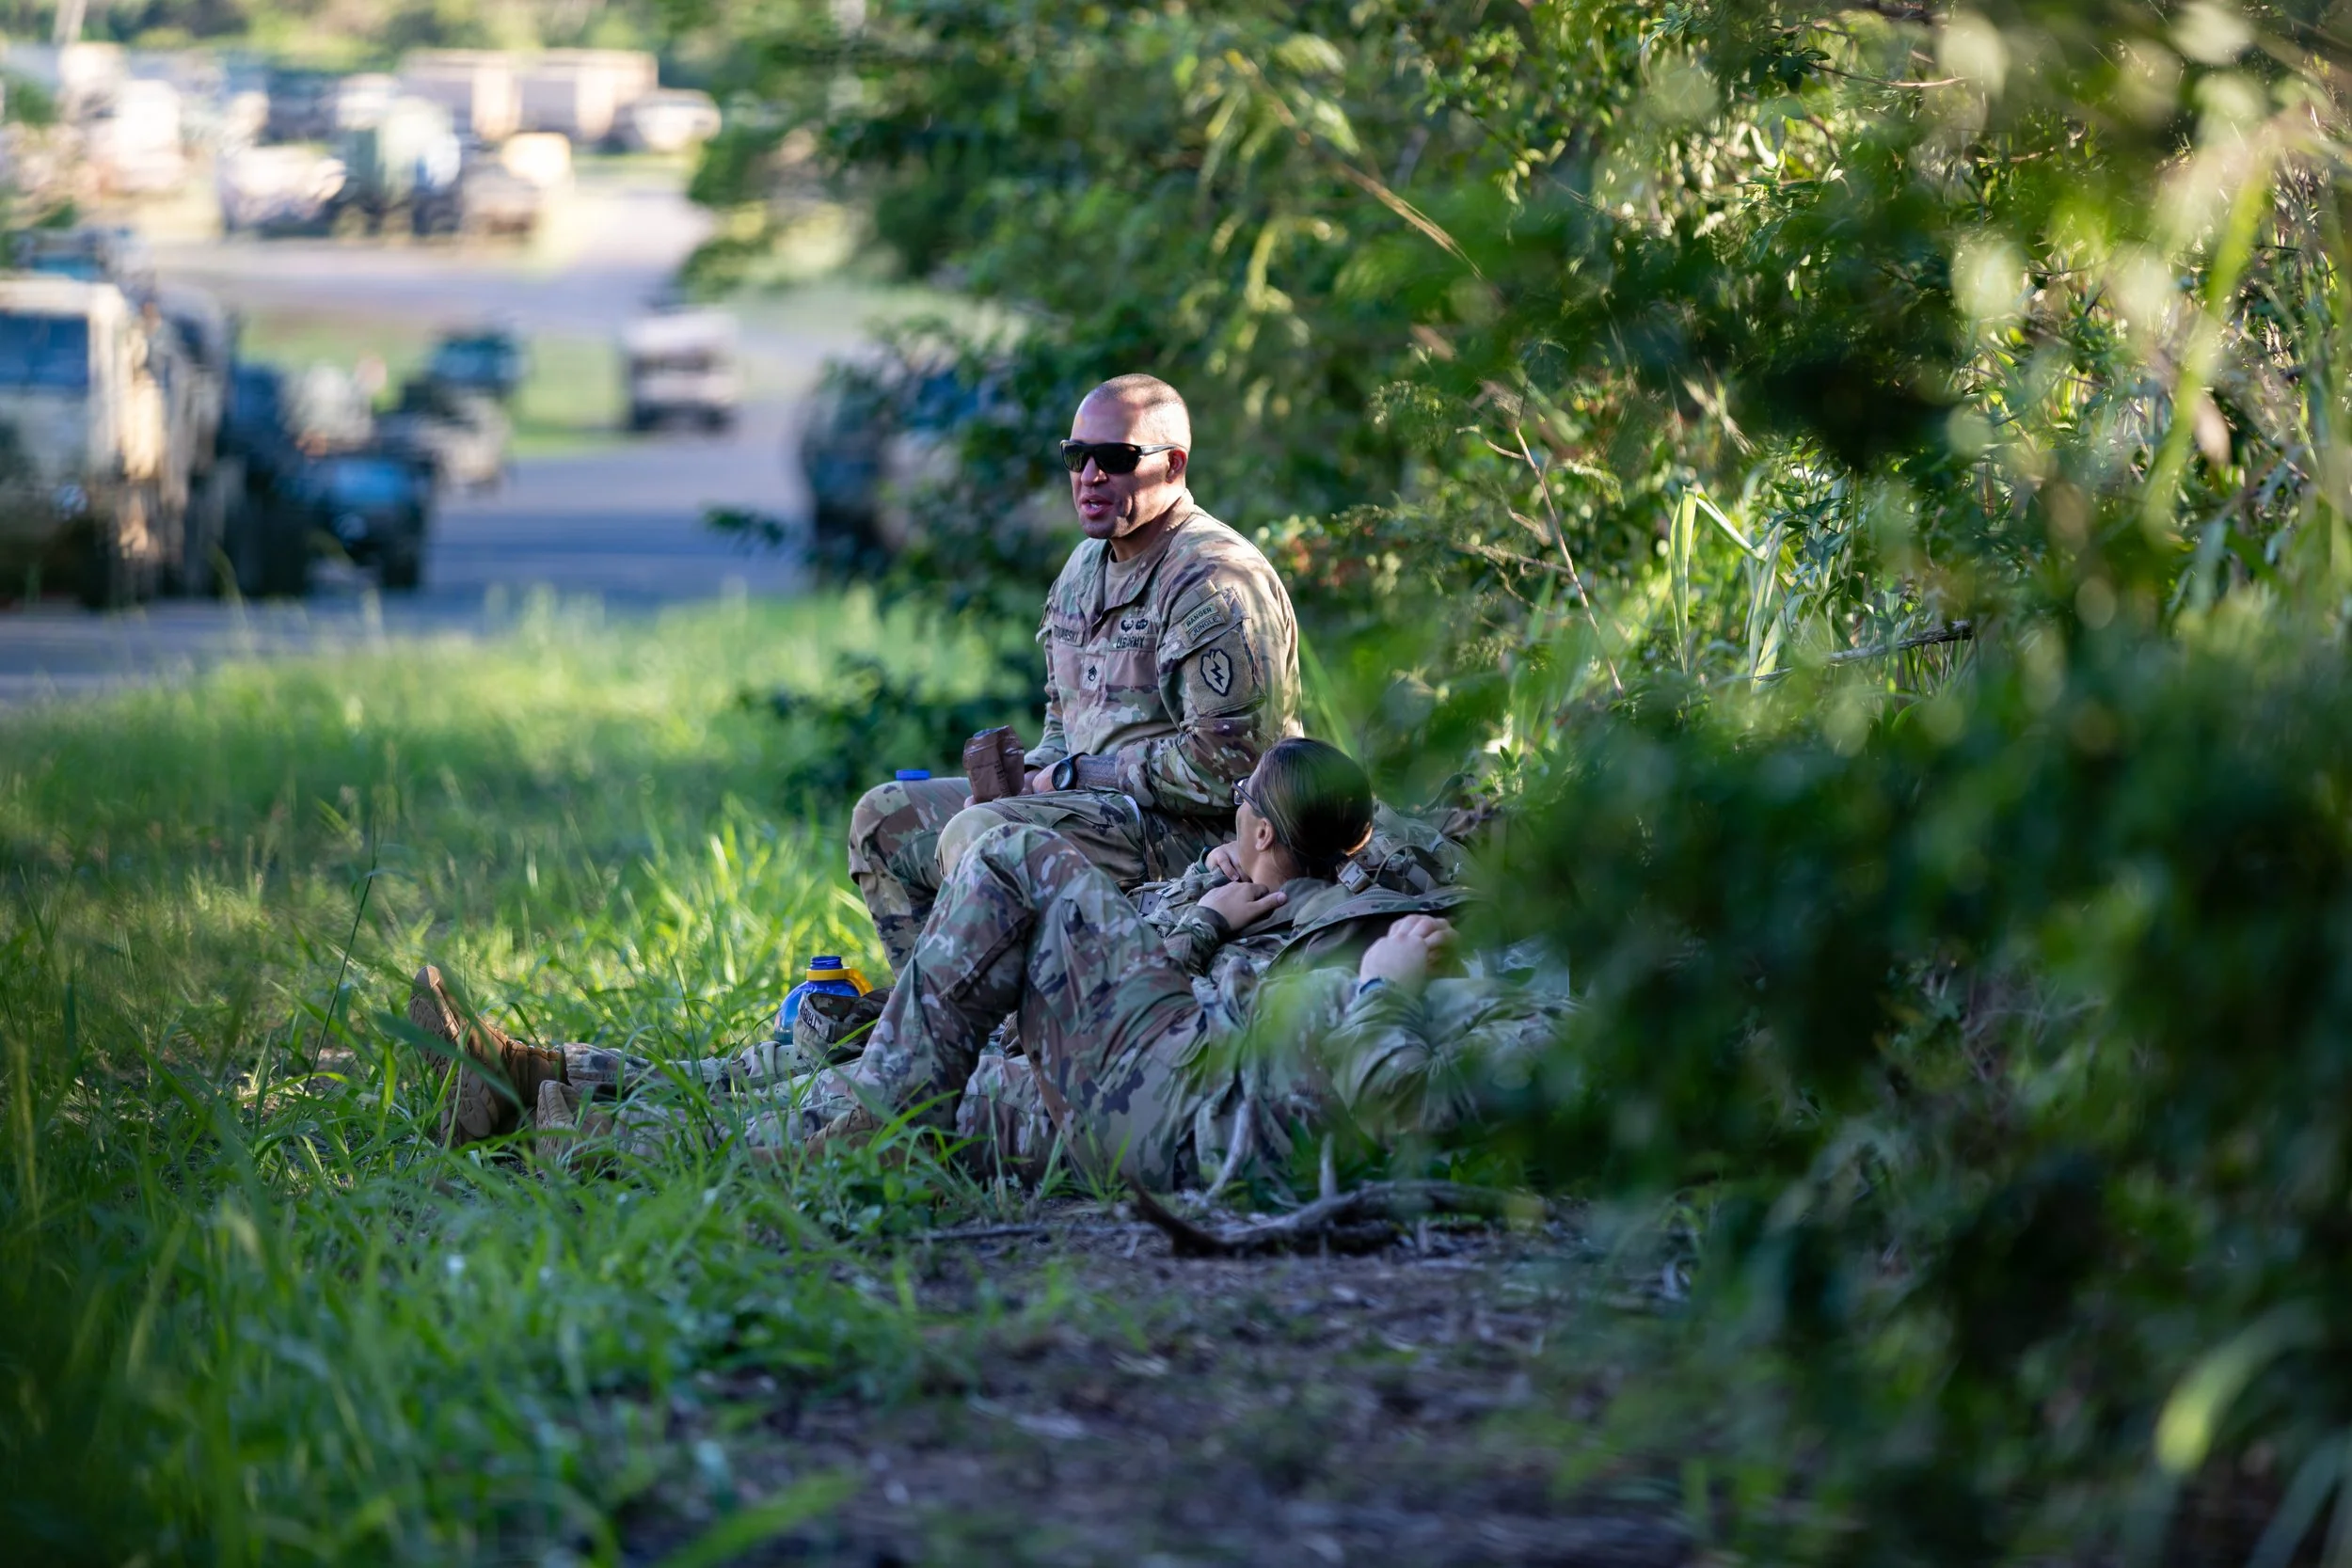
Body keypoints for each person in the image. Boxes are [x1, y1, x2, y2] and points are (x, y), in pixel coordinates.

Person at [408, 741, 1567, 1191]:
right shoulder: (1312, 892)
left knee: (899, 1082)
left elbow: (1389, 1094)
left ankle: (582, 1132)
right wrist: (1214, 911)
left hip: (1162, 1096)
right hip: (1136, 1057)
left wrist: (1374, 983)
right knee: (820, 1049)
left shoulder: (1433, 962)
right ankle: (541, 1082)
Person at [848, 373, 1300, 971]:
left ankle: (990, 1019)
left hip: (1202, 839)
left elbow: (1237, 770)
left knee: (982, 833)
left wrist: (1075, 774)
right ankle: (935, 1015)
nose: (1091, 475)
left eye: (1115, 458)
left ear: (1174, 465)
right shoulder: (1086, 567)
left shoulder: (1212, 581)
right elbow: (1065, 721)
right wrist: (1032, 774)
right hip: (1099, 811)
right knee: (886, 817)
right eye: (1077, 456)